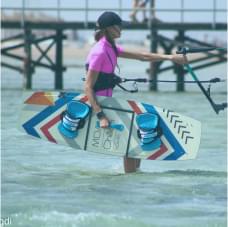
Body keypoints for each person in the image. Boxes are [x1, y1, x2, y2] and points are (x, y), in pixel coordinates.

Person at [84, 11, 187, 173]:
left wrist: (170, 58)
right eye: (119, 26)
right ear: (109, 29)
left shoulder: (111, 47)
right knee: (131, 142)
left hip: (108, 101)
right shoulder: (100, 51)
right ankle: (129, 179)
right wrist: (101, 116)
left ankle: (134, 177)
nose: (122, 29)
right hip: (100, 105)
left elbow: (142, 56)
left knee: (137, 136)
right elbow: (88, 86)